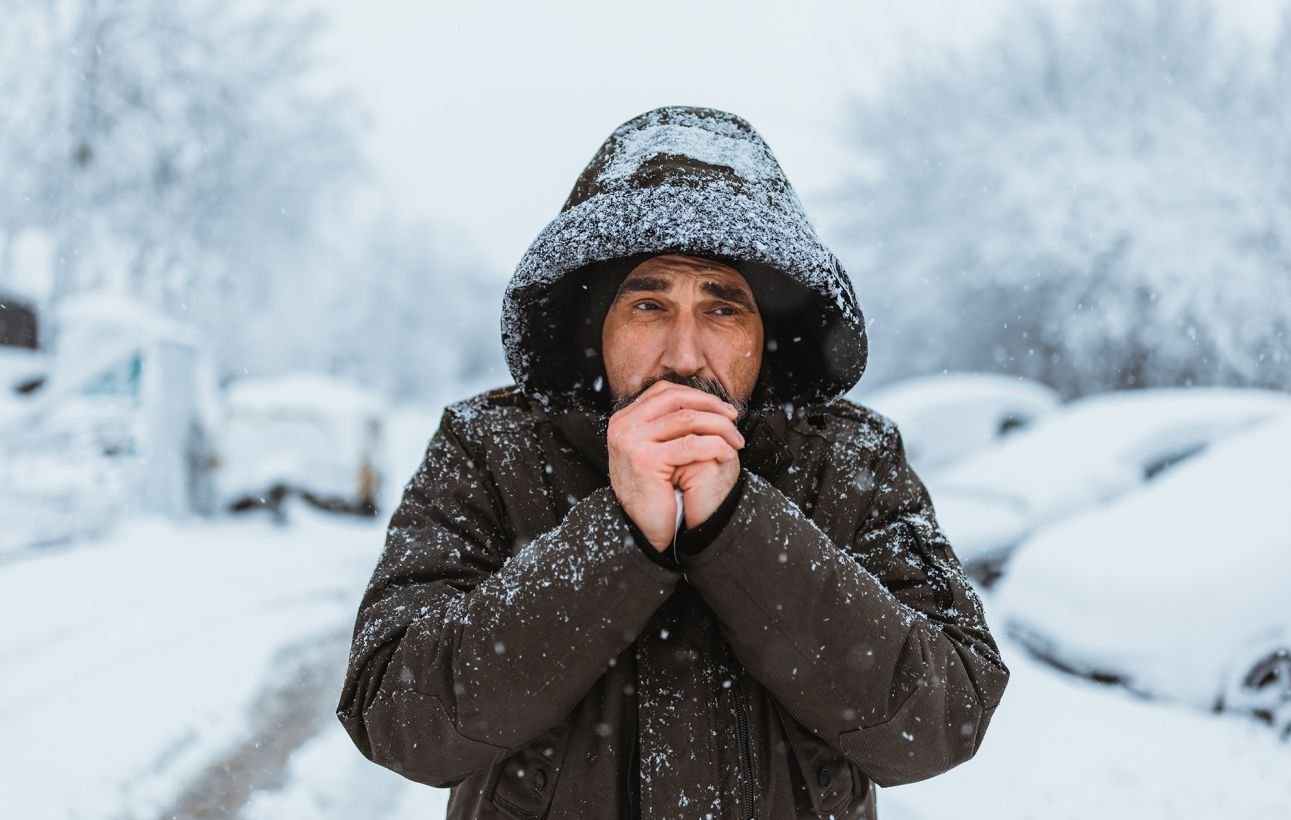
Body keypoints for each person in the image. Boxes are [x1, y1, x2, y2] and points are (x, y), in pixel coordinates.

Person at [337, 105, 1010, 819]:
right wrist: (617, 536)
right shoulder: (491, 449)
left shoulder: (851, 460)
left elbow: (943, 721)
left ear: (766, 336)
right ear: (596, 328)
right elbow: (398, 721)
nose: (685, 357)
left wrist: (738, 526)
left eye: (723, 310)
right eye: (649, 306)